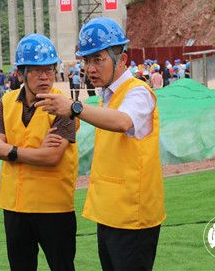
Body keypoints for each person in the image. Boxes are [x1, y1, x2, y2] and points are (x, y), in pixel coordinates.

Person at [36, 17, 165, 271]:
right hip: (109, 215)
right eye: (86, 61)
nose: (90, 68)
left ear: (122, 59)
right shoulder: (107, 96)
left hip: (133, 217)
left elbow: (122, 121)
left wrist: (74, 108)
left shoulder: (138, 92)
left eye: (98, 59)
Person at [0, 33, 78, 271]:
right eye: (36, 70)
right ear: (20, 74)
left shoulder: (64, 106)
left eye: (49, 70)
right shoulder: (7, 102)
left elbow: (52, 157)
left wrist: (10, 151)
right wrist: (32, 153)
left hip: (53, 206)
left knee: (62, 266)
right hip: (15, 206)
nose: (45, 77)